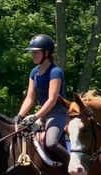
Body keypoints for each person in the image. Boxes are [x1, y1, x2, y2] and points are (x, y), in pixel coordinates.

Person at [14, 34, 69, 164]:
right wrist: (20, 115)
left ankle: (75, 172)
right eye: (32, 52)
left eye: (36, 52)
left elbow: (52, 99)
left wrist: (35, 116)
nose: (33, 55)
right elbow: (29, 98)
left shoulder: (55, 72)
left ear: (46, 52)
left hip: (57, 113)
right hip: (42, 114)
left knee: (51, 143)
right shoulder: (34, 72)